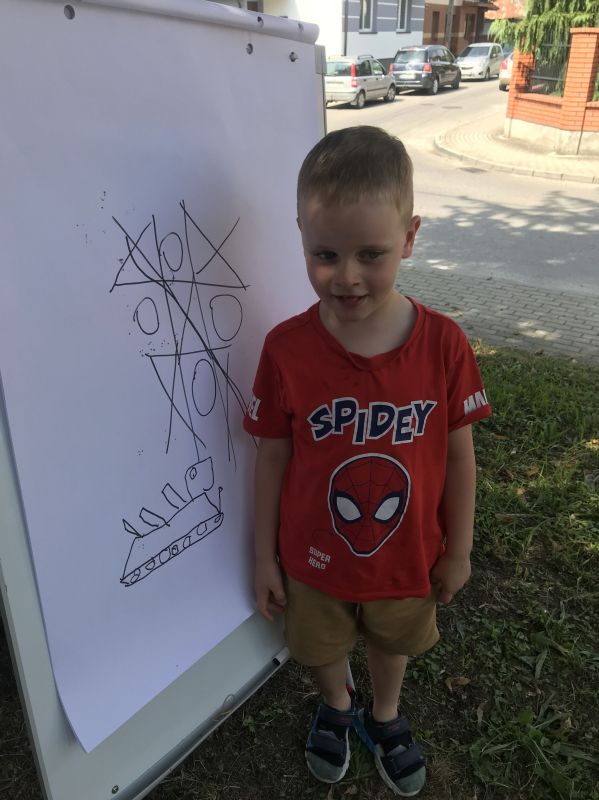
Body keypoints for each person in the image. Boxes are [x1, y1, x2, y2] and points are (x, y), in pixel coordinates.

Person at [243, 125, 491, 797]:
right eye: (324, 254)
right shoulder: (286, 349)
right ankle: (337, 703)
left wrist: (459, 550)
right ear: (300, 236)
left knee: (392, 640)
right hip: (313, 555)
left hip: (407, 555)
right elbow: (271, 455)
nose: (346, 276)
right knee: (320, 643)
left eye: (371, 254)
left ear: (409, 237)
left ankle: (384, 714)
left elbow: (459, 457)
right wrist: (264, 557)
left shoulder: (443, 345)